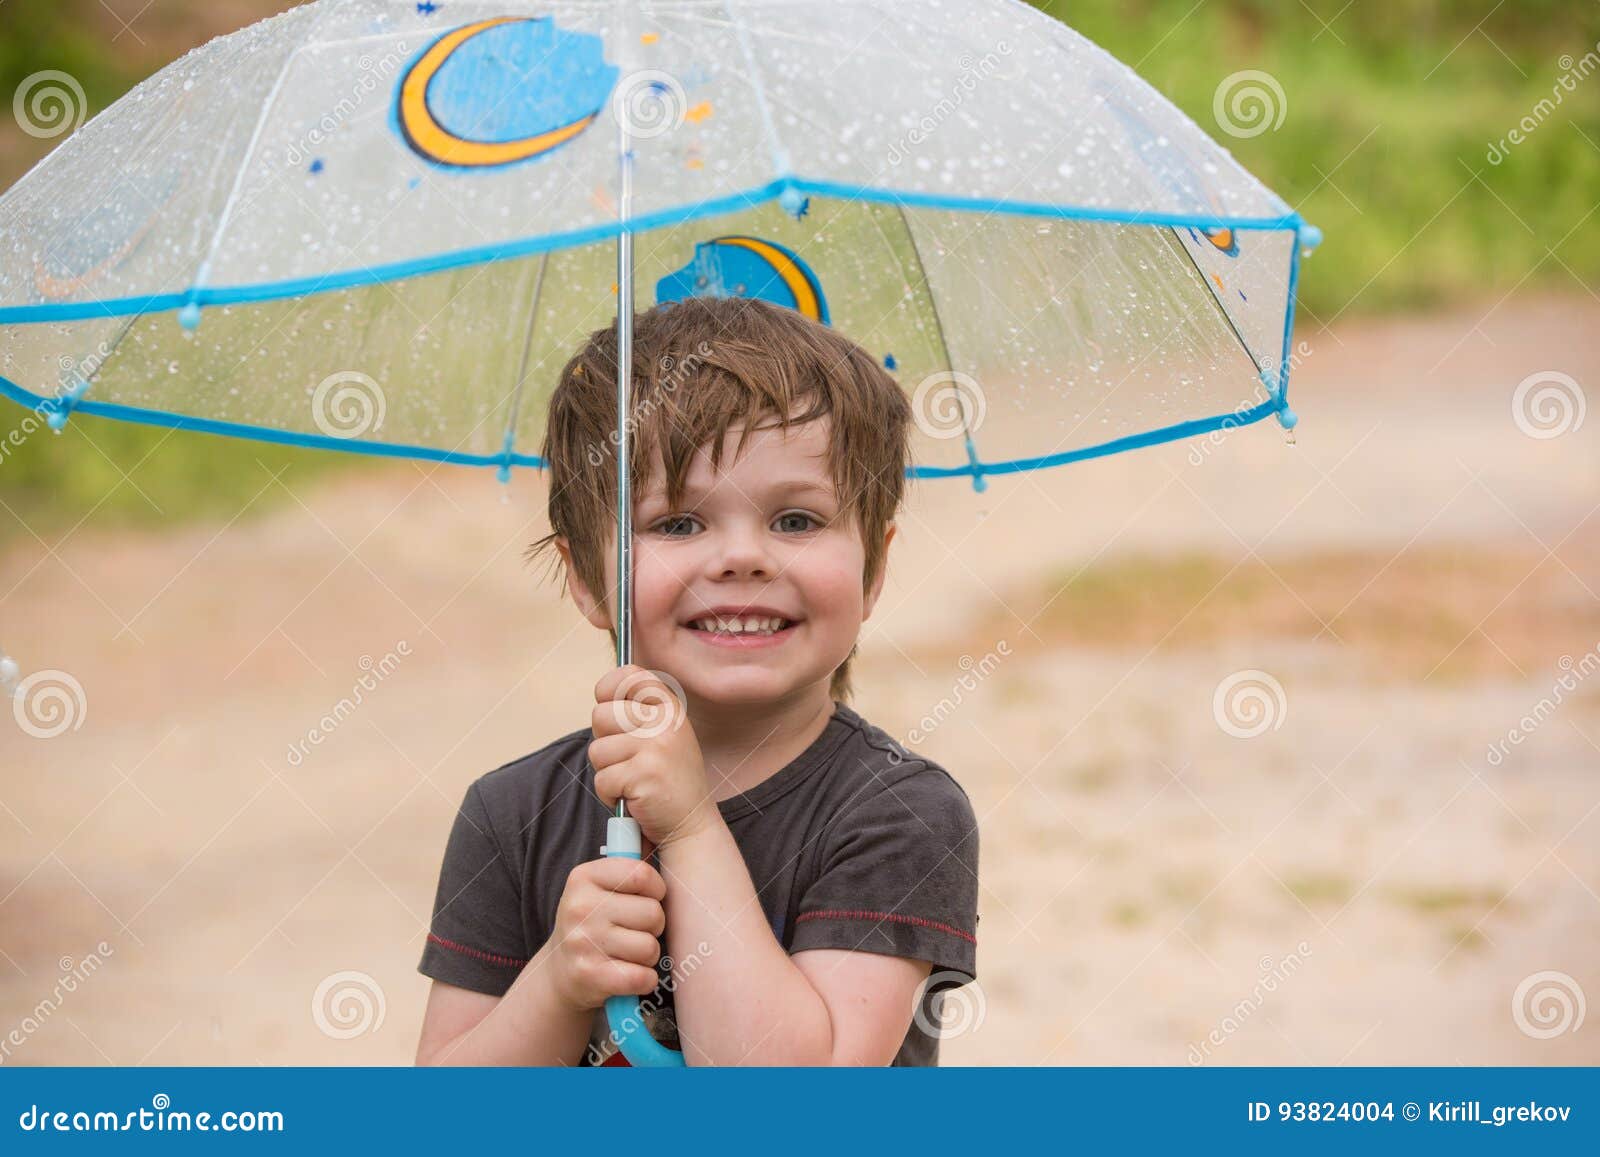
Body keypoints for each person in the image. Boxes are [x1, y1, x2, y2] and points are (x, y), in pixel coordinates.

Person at [413, 295, 979, 1066]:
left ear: (874, 567)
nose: (741, 557)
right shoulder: (511, 814)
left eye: (796, 521)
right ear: (585, 576)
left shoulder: (900, 815)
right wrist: (555, 982)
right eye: (678, 523)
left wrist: (688, 827)